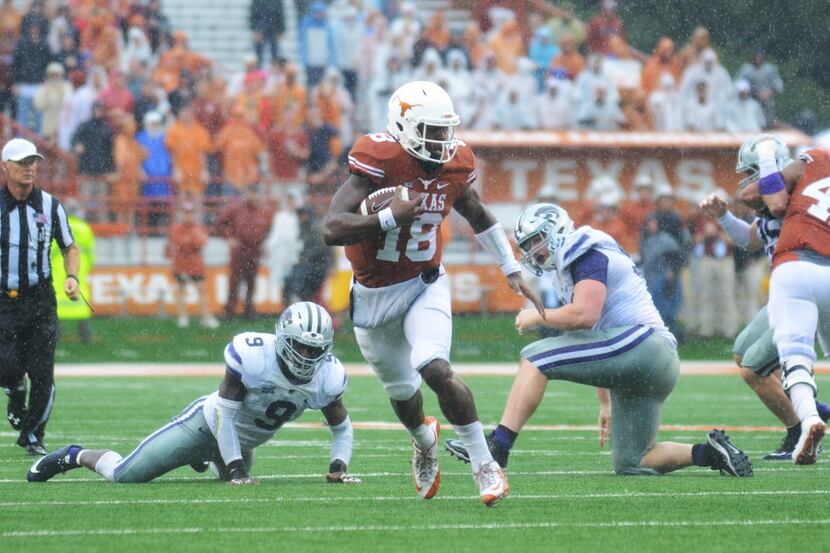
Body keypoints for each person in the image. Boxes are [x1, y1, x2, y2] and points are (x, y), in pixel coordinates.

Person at [323, 81, 543, 506]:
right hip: (372, 295)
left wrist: (511, 268)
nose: (442, 141)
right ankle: (424, 438)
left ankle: (485, 465)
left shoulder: (456, 162)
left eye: (445, 131)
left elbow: (476, 212)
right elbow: (332, 227)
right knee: (403, 394)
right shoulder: (378, 158)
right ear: (403, 127)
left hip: (425, 282)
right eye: (431, 131)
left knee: (434, 367)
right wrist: (388, 217)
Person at [445, 203, 753, 478]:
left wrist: (538, 315)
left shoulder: (581, 246)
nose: (532, 251)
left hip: (642, 344)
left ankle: (498, 446)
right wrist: (605, 402)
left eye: (536, 240)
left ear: (557, 229)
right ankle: (709, 452)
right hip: (650, 360)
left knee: (535, 357)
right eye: (526, 245)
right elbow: (593, 341)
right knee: (634, 461)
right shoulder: (572, 265)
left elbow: (584, 315)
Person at [28, 302, 359, 485]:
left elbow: (341, 427)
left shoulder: (327, 376)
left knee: (225, 474)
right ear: (284, 338)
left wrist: (338, 467)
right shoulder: (254, 354)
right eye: (301, 345)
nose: (307, 356)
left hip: (242, 443)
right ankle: (74, 454)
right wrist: (239, 472)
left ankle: (210, 460)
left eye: (315, 350)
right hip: (206, 423)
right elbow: (225, 413)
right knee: (125, 476)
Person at [700, 176, 830, 460]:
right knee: (741, 352)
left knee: (753, 369)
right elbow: (750, 239)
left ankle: (799, 428)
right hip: (786, 296)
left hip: (805, 296)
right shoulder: (772, 212)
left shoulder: (796, 210)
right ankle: (810, 405)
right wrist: (724, 215)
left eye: (756, 176)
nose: (748, 187)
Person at [745, 134, 830, 463]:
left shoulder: (816, 158)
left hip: (794, 264)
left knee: (795, 357)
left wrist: (767, 159)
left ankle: (809, 419)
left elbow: (774, 201)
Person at [0, 138, 80, 455]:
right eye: (22, 163)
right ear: (6, 167)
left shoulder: (50, 206)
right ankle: (14, 387)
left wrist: (71, 277)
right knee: (6, 367)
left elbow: (69, 246)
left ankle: (33, 434)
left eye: (33, 162)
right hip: (3, 299)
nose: (29, 168)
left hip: (40, 299)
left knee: (43, 371)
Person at [214, 185, 273, 320]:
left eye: (255, 193)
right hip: (239, 249)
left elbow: (268, 229)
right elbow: (219, 223)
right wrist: (229, 238)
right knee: (234, 280)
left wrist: (264, 242)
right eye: (250, 192)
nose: (252, 196)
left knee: (251, 281)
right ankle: (229, 311)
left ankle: (249, 310)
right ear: (245, 194)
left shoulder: (264, 211)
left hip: (255, 249)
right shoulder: (235, 208)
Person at [166, 201, 219, 329]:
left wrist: (189, 242)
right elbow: (178, 243)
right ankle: (183, 317)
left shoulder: (198, 227)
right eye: (185, 213)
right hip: (181, 262)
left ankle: (205, 317)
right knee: (180, 290)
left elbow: (201, 242)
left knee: (202, 290)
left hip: (195, 263)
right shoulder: (177, 228)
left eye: (190, 213)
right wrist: (190, 242)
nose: (188, 216)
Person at [50, 198, 94, 344]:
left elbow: (50, 251)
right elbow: (91, 254)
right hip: (79, 270)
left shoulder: (58, 226)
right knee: (81, 302)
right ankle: (85, 337)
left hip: (58, 270)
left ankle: (56, 337)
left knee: (57, 308)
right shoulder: (85, 228)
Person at [284, 204, 332, 304]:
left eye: (303, 214)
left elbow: (321, 246)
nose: (300, 216)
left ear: (309, 215)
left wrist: (306, 256)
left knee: (302, 286)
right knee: (291, 281)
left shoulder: (314, 227)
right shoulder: (302, 227)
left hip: (317, 266)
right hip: (308, 265)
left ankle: (300, 303)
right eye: (299, 214)